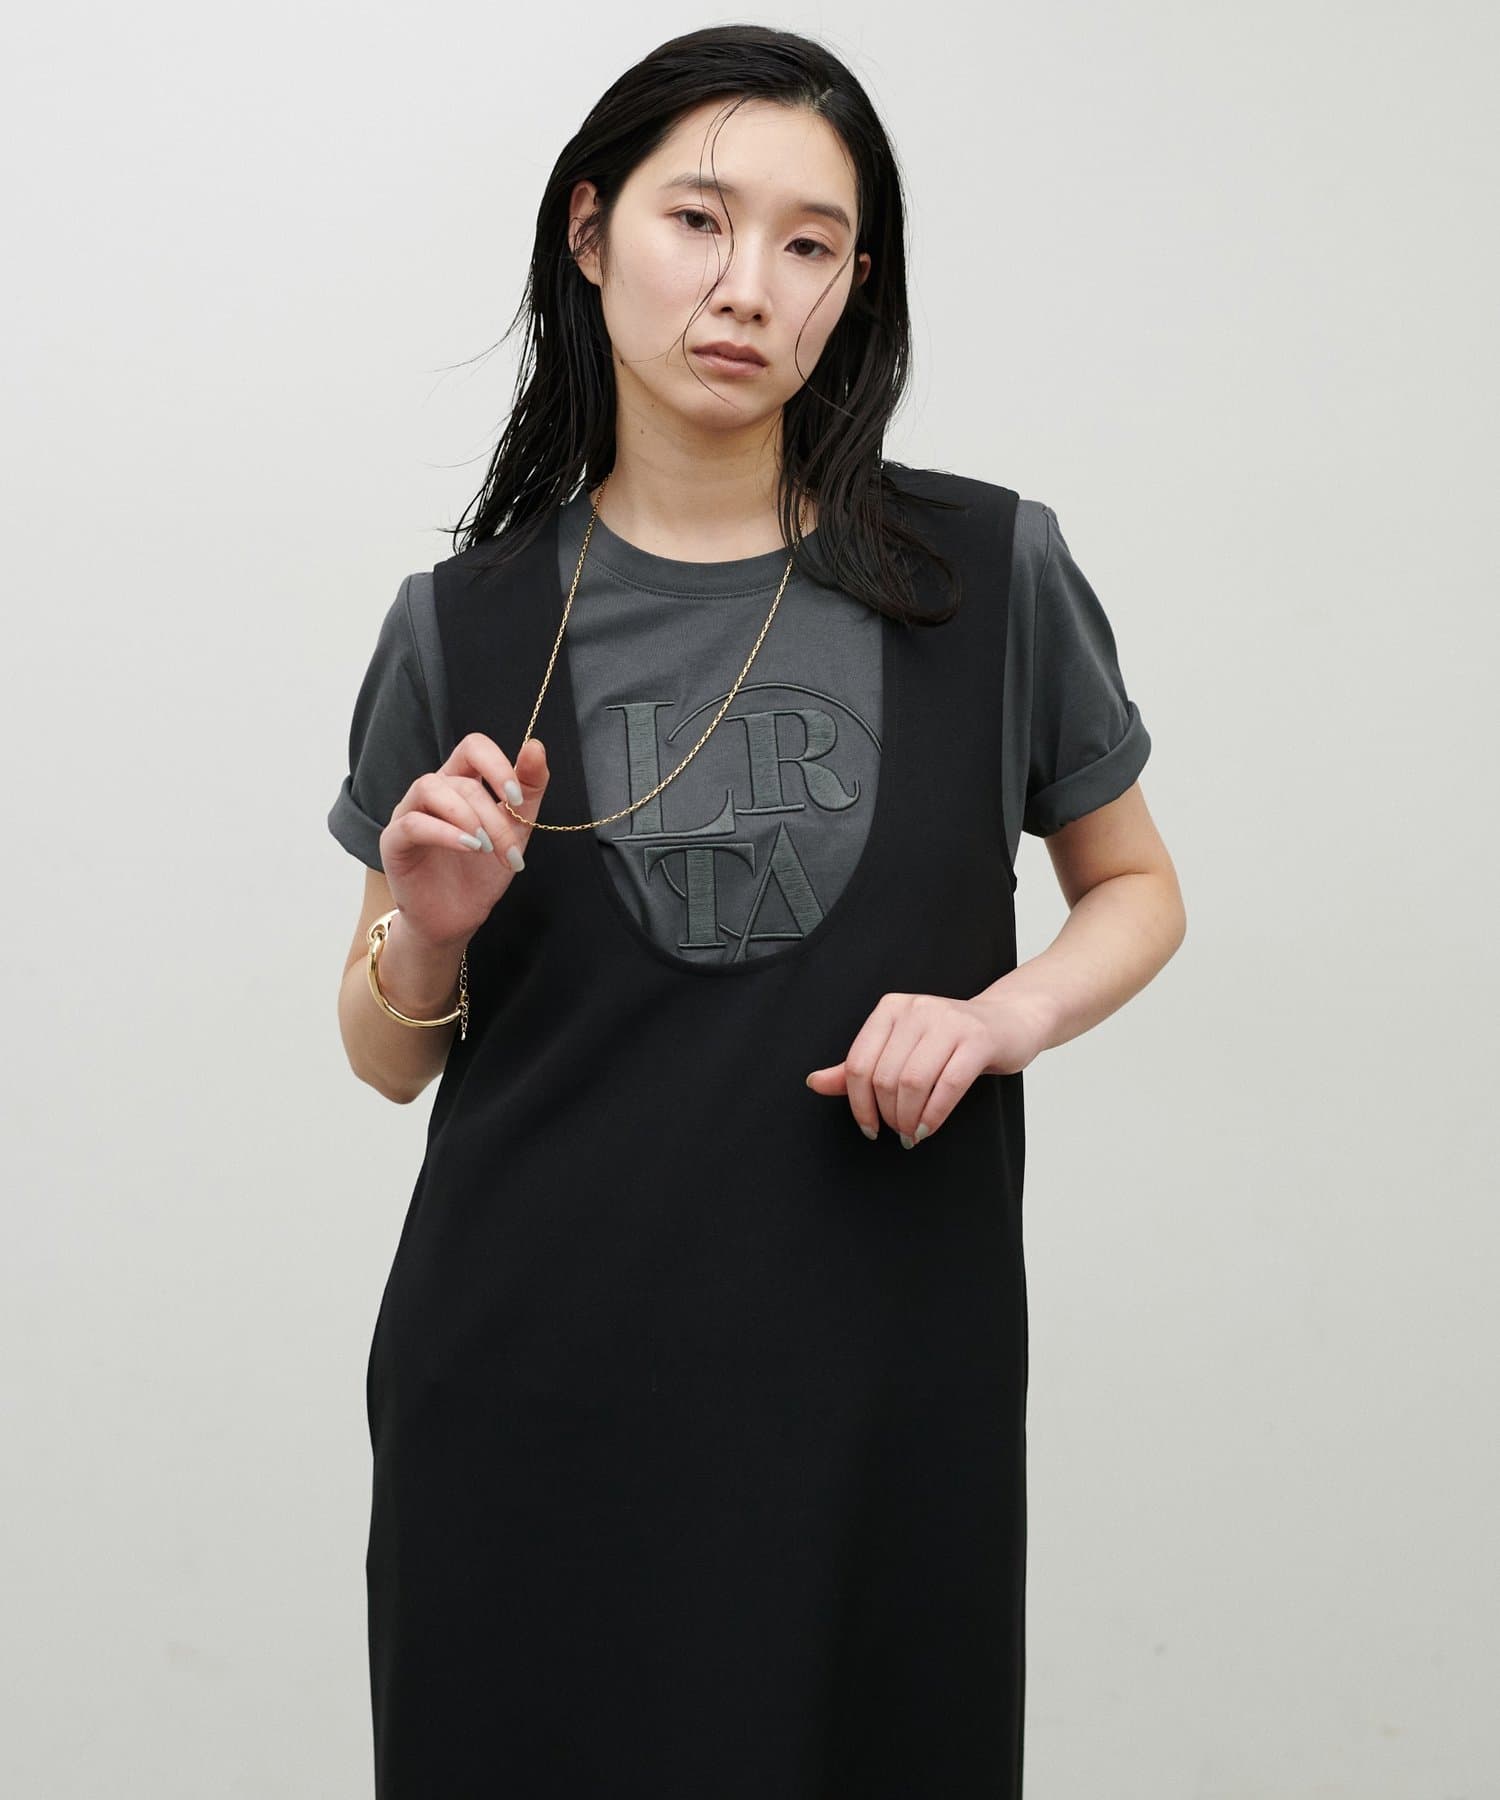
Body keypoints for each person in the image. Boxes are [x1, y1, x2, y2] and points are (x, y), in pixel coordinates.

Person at [328, 24, 1186, 1798]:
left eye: (811, 243)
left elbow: (1136, 888)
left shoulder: (988, 575)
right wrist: (434, 926)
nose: (749, 287)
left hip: (882, 1388)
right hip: (529, 1389)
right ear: (590, 234)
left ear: (855, 286)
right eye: (699, 220)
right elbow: (386, 1056)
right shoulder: (462, 625)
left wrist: (1000, 1016)